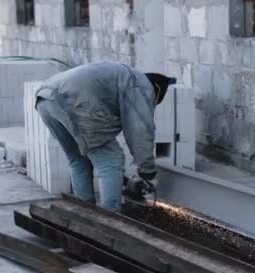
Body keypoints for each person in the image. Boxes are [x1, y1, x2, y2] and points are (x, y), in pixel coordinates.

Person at [35, 61, 174, 211]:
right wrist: (147, 171)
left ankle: (84, 212)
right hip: (74, 98)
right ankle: (110, 218)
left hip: (46, 98)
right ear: (156, 91)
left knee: (78, 160)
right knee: (110, 160)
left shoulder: (123, 77)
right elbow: (139, 129)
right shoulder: (141, 86)